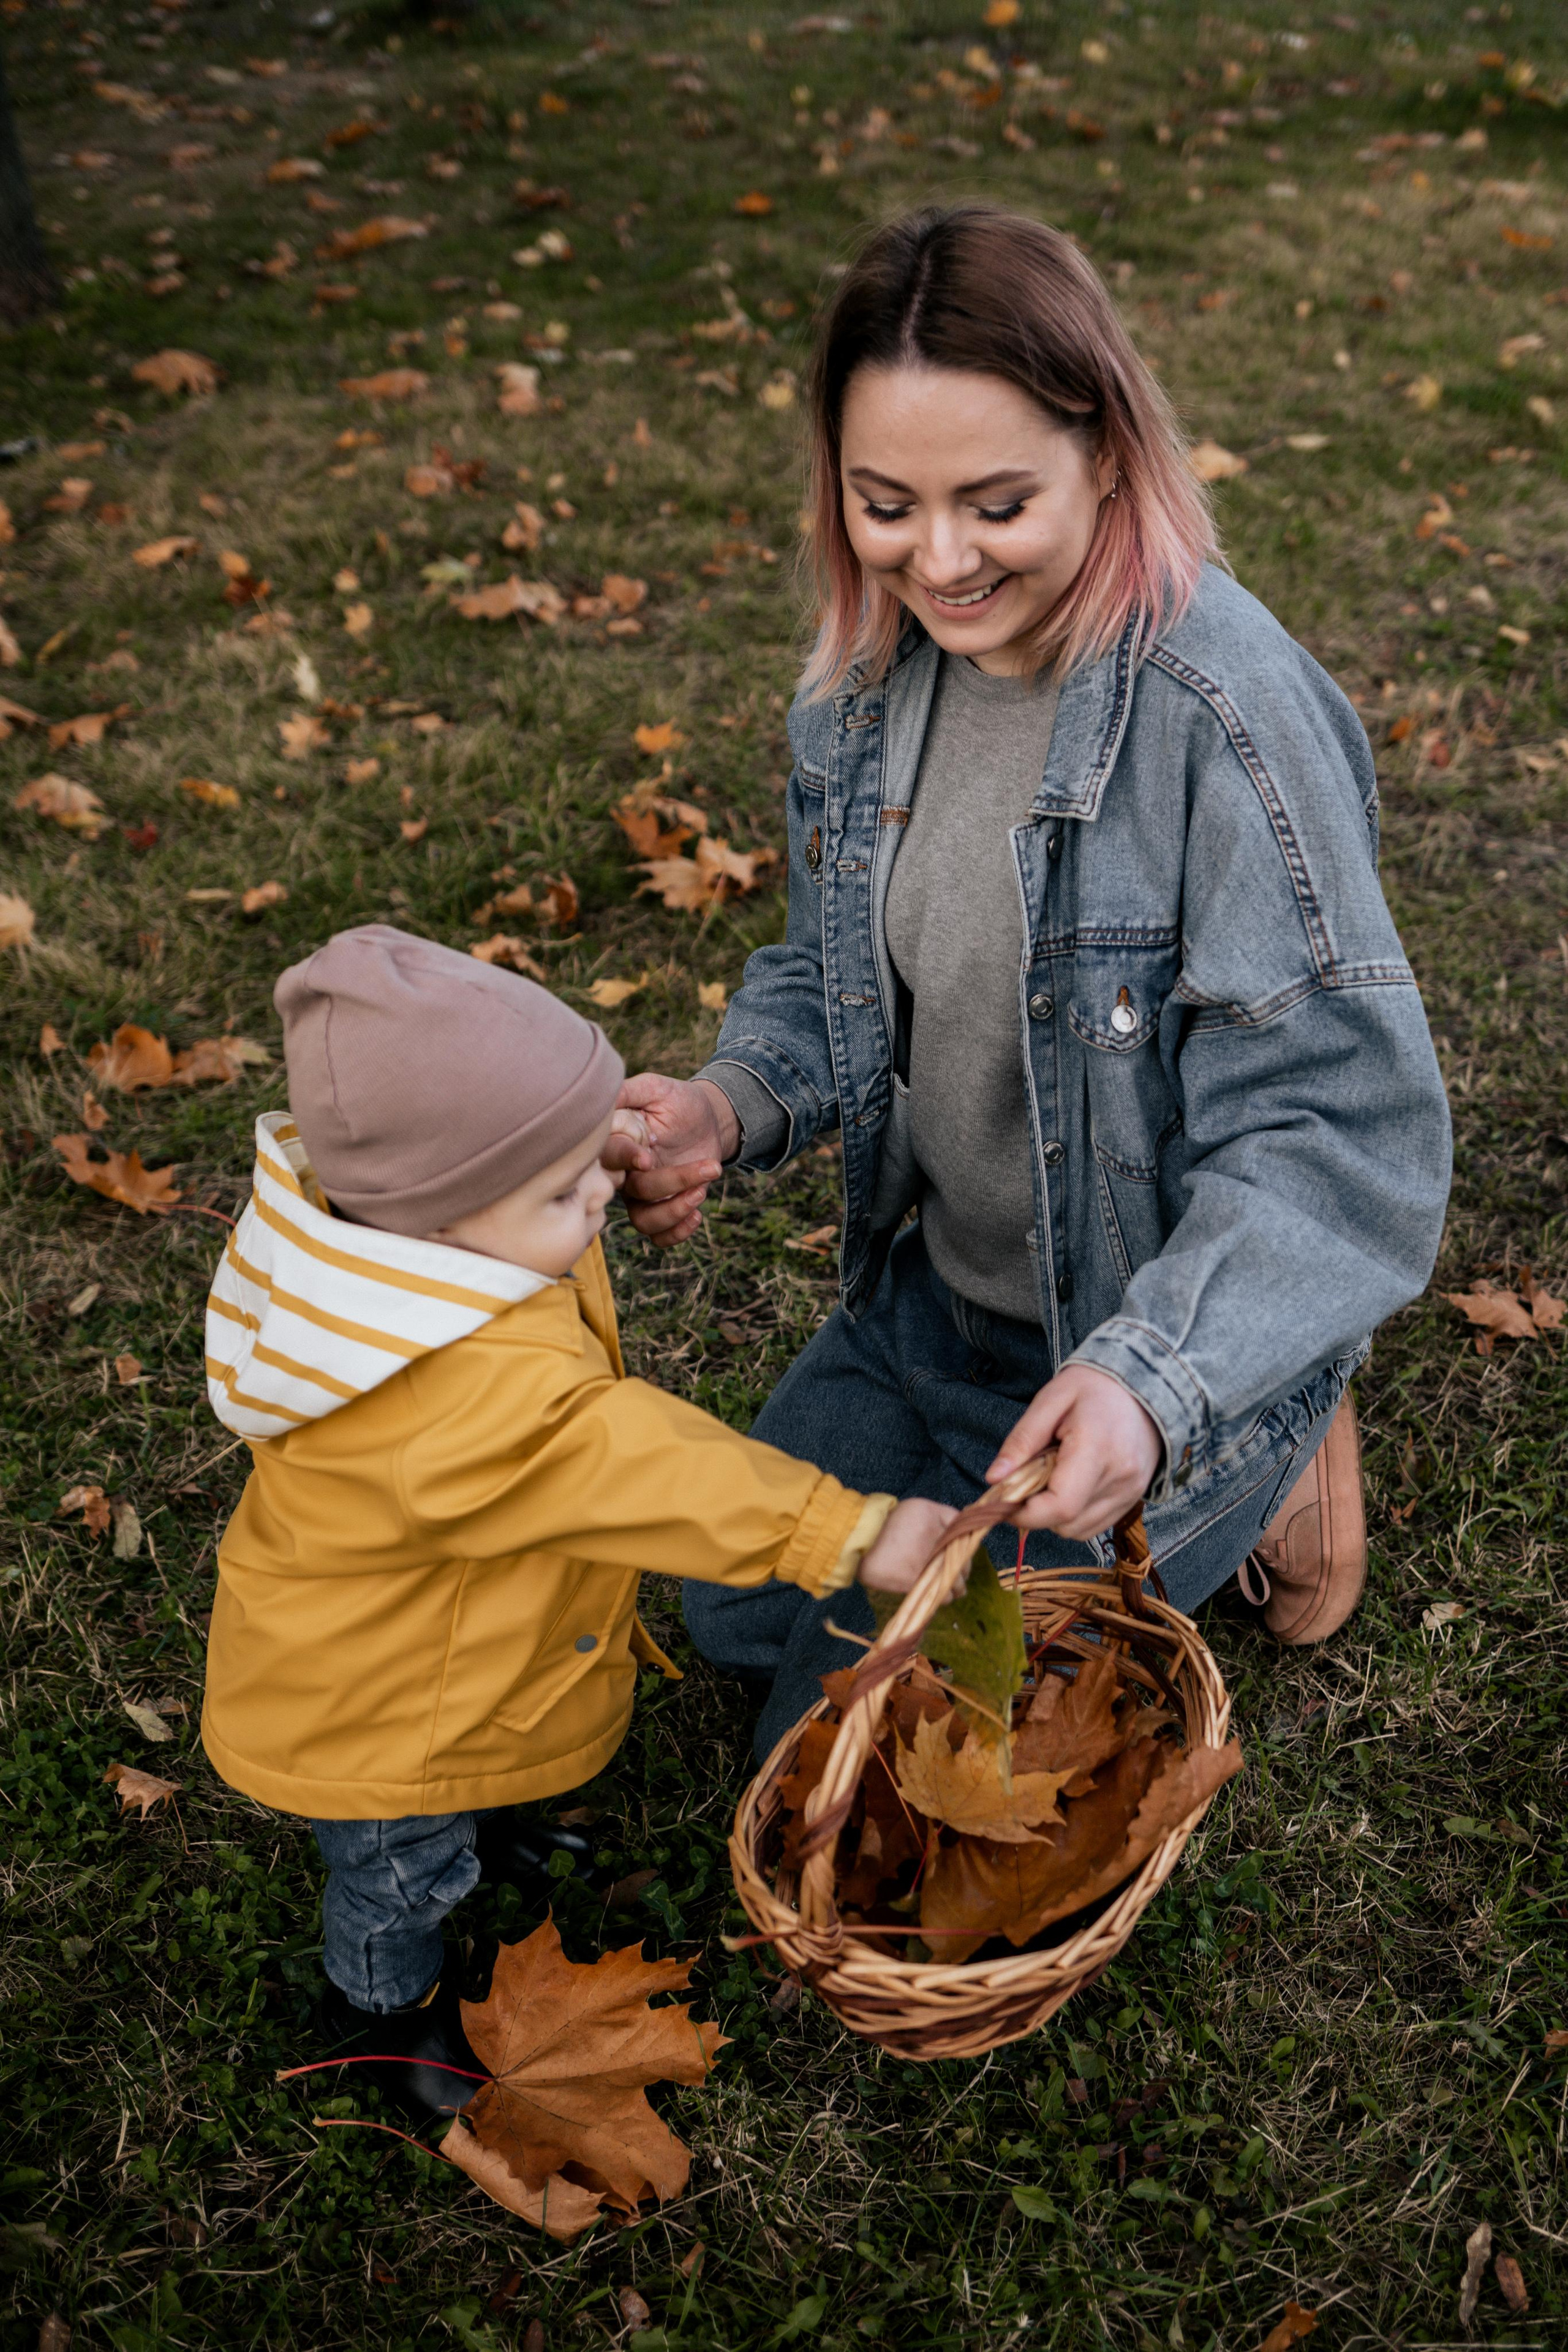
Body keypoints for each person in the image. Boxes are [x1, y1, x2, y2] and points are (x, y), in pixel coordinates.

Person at [611, 204, 1452, 1761]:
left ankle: (1273, 1417)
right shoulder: (863, 684)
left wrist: (1147, 1386)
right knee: (725, 1613)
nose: (937, 559)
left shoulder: (1224, 717)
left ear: (1106, 457)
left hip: (1135, 1334)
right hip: (940, 1308)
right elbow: (827, 973)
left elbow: (1342, 1140)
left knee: (869, 1748)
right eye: (885, 503)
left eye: (996, 503)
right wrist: (729, 1107)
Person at [197, 924, 952, 2112]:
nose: (600, 1192)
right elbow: (640, 1466)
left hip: (445, 1650)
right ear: (435, 1225)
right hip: (382, 1721)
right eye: (565, 1187)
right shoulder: (459, 1393)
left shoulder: (398, 1245)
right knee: (406, 1877)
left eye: (588, 1160)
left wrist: (566, 1162)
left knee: (465, 1809)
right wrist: (847, 1534)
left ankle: (493, 1820)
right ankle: (374, 2016)